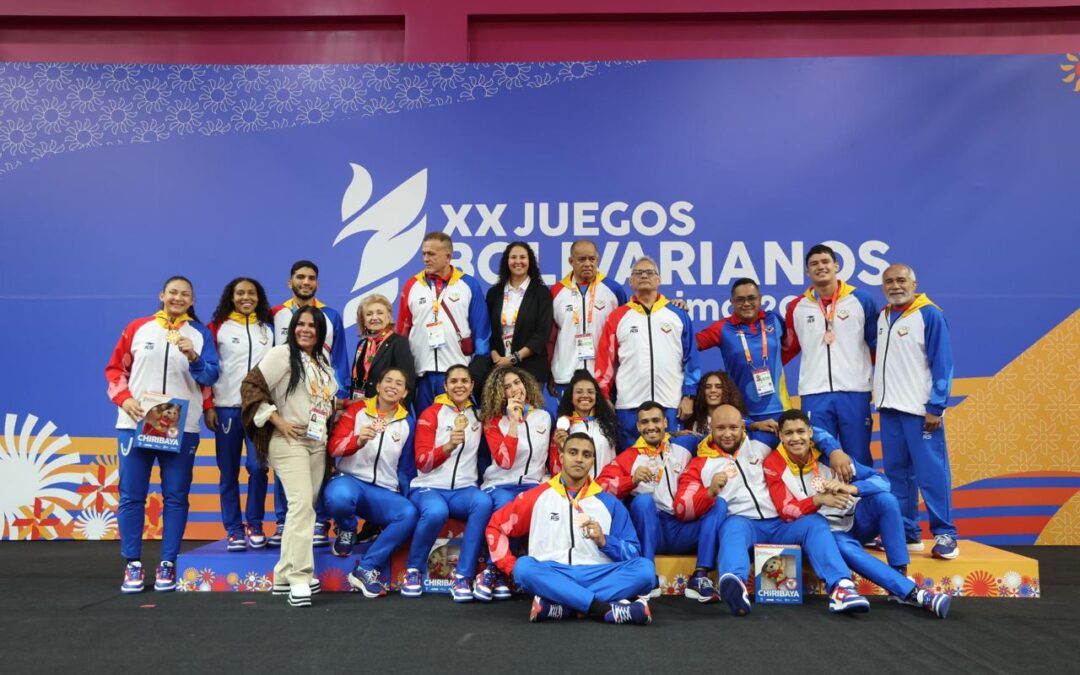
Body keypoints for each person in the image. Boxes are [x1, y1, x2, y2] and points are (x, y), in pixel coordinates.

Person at [675, 405, 870, 616]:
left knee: (815, 523)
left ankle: (841, 588)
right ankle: (735, 585)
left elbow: (800, 429)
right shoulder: (699, 463)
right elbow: (682, 508)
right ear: (711, 428)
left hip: (781, 521)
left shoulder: (763, 441)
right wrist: (710, 491)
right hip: (743, 522)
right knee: (731, 529)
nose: (728, 433)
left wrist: (834, 449)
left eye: (733, 427)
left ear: (743, 426)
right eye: (721, 428)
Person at [763, 409, 950, 618]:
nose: (796, 438)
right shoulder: (773, 464)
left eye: (800, 432)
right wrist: (819, 500)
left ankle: (898, 573)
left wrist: (853, 489)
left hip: (855, 521)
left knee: (886, 500)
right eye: (789, 433)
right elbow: (787, 511)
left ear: (810, 432)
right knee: (843, 545)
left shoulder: (830, 457)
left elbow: (883, 482)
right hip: (826, 534)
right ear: (780, 435)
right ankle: (913, 592)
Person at [106, 276, 220, 593]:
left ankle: (168, 562)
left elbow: (212, 375)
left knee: (176, 496)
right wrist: (124, 399)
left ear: (192, 300)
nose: (178, 298)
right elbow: (115, 370)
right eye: (173, 292)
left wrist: (194, 357)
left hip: (182, 426)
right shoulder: (138, 328)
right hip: (137, 421)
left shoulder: (199, 334)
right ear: (162, 295)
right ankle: (133, 564)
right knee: (131, 495)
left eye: (185, 294)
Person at [486, 432, 656, 624]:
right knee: (524, 568)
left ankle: (564, 605)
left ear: (593, 460)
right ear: (561, 456)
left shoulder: (610, 503)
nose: (579, 459)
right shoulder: (536, 497)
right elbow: (495, 527)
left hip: (597, 574)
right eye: (573, 452)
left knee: (646, 570)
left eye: (586, 455)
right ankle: (603, 609)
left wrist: (605, 541)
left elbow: (633, 553)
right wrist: (510, 567)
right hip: (552, 572)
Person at [240, 306, 338, 607]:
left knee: (305, 505)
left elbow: (321, 400)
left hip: (315, 442)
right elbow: (250, 387)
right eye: (301, 324)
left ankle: (282, 574)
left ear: (320, 331)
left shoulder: (322, 359)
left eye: (312, 325)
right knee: (300, 506)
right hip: (288, 440)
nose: (305, 329)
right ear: (293, 326)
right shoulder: (281, 355)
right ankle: (300, 576)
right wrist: (277, 420)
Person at [596, 402, 724, 601]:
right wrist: (631, 480)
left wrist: (753, 426)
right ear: (638, 427)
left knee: (718, 502)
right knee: (643, 502)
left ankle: (700, 576)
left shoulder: (686, 445)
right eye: (644, 422)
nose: (651, 426)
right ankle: (648, 576)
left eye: (656, 420)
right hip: (652, 531)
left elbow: (724, 433)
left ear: (666, 422)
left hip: (684, 528)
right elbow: (601, 487)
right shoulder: (629, 457)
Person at [873, 263, 959, 559]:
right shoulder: (884, 316)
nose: (895, 286)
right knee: (897, 475)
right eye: (889, 282)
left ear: (914, 283)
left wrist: (936, 406)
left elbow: (943, 363)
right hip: (890, 409)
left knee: (931, 473)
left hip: (921, 412)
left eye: (901, 280)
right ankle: (907, 534)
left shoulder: (930, 314)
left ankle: (946, 534)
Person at [269, 260, 349, 546]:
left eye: (311, 278)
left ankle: (320, 521)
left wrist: (341, 396)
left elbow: (339, 358)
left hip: (320, 401)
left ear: (317, 282)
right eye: (300, 277)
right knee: (287, 461)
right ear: (290, 282)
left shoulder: (331, 315)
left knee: (321, 459)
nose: (306, 282)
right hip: (287, 401)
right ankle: (283, 521)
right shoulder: (275, 314)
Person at [406, 364, 498, 602]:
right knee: (437, 511)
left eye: (464, 381)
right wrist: (447, 446)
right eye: (454, 381)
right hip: (428, 486)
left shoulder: (478, 416)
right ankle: (413, 571)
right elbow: (422, 462)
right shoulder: (431, 413)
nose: (459, 385)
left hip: (463, 489)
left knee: (483, 502)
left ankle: (463, 577)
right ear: (445, 386)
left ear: (471, 385)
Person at [324, 367, 419, 598]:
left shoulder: (407, 421)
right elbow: (333, 447)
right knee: (339, 497)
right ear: (377, 386)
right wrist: (357, 440)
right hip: (351, 481)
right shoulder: (357, 410)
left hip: (383, 491)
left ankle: (366, 568)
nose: (392, 386)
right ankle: (347, 529)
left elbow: (406, 468)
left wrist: (404, 496)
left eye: (399, 384)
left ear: (404, 393)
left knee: (408, 514)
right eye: (388, 381)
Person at [782, 244, 879, 466]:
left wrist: (882, 381)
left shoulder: (862, 300)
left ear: (836, 265)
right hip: (814, 393)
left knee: (859, 457)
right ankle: (825, 501)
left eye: (825, 262)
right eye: (814, 264)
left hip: (854, 391)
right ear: (807, 271)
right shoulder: (796, 306)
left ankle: (862, 501)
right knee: (818, 456)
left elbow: (875, 345)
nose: (820, 267)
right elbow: (789, 347)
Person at [596, 256, 701, 450]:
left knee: (671, 461)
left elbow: (691, 360)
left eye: (650, 272)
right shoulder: (618, 317)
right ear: (631, 282)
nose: (644, 275)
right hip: (629, 404)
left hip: (670, 403)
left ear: (659, 280)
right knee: (631, 463)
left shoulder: (678, 315)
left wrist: (689, 396)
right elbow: (605, 361)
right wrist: (604, 397)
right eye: (638, 273)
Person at [205, 277, 275, 552]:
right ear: (231, 297)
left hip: (258, 410)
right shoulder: (217, 328)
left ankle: (254, 523)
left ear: (259, 298)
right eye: (240, 293)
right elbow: (208, 371)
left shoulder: (267, 330)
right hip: (226, 409)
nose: (247, 297)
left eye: (252, 293)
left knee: (259, 468)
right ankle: (233, 529)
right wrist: (209, 406)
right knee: (228, 471)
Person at [398, 232, 491, 412]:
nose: (426, 258)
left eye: (431, 254)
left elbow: (482, 331)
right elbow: (403, 330)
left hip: (457, 375)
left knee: (456, 428)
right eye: (424, 254)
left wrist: (475, 371)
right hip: (421, 373)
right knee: (425, 428)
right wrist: (403, 370)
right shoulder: (412, 285)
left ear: (448, 256)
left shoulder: (469, 285)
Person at [696, 278, 790, 437]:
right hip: (742, 413)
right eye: (740, 300)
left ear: (760, 298)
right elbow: (688, 346)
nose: (746, 303)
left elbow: (791, 346)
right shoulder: (722, 328)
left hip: (781, 408)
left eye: (751, 298)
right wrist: (677, 311)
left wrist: (775, 366)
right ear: (731, 302)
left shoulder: (774, 320)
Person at [548, 239, 628, 406]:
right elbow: (550, 336)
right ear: (571, 261)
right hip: (566, 374)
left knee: (602, 428)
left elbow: (623, 333)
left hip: (603, 378)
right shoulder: (556, 291)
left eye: (592, 259)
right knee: (568, 427)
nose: (587, 264)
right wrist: (549, 371)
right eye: (581, 259)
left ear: (597, 259)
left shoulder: (614, 290)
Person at [480, 366, 551, 510]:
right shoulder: (492, 421)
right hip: (500, 484)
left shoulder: (544, 416)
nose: (515, 389)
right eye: (507, 387)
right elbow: (505, 462)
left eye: (517, 382)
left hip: (532, 484)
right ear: (500, 393)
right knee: (506, 505)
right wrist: (513, 421)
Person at [486, 241, 553, 392]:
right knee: (503, 414)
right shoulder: (494, 293)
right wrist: (495, 355)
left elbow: (542, 334)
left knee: (530, 414)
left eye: (523, 257)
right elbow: (486, 329)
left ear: (530, 262)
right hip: (499, 366)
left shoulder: (541, 293)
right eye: (513, 257)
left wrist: (514, 358)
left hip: (531, 368)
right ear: (506, 261)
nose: (518, 261)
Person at [549, 369, 619, 478]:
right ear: (571, 397)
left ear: (597, 397)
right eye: (579, 392)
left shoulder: (607, 423)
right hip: (576, 491)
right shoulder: (563, 428)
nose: (585, 395)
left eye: (590, 392)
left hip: (605, 489)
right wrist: (561, 448)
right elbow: (555, 471)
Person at [349, 293, 416, 403]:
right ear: (363, 320)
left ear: (388, 316)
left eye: (380, 313)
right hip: (361, 409)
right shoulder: (362, 344)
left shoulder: (399, 343)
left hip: (388, 409)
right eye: (369, 314)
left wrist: (397, 412)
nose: (374, 317)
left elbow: (408, 382)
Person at [674, 370, 745, 437]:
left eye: (718, 387)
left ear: (727, 391)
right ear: (702, 392)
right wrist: (675, 435)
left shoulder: (737, 419)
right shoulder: (692, 423)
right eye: (707, 387)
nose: (713, 390)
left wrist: (753, 425)